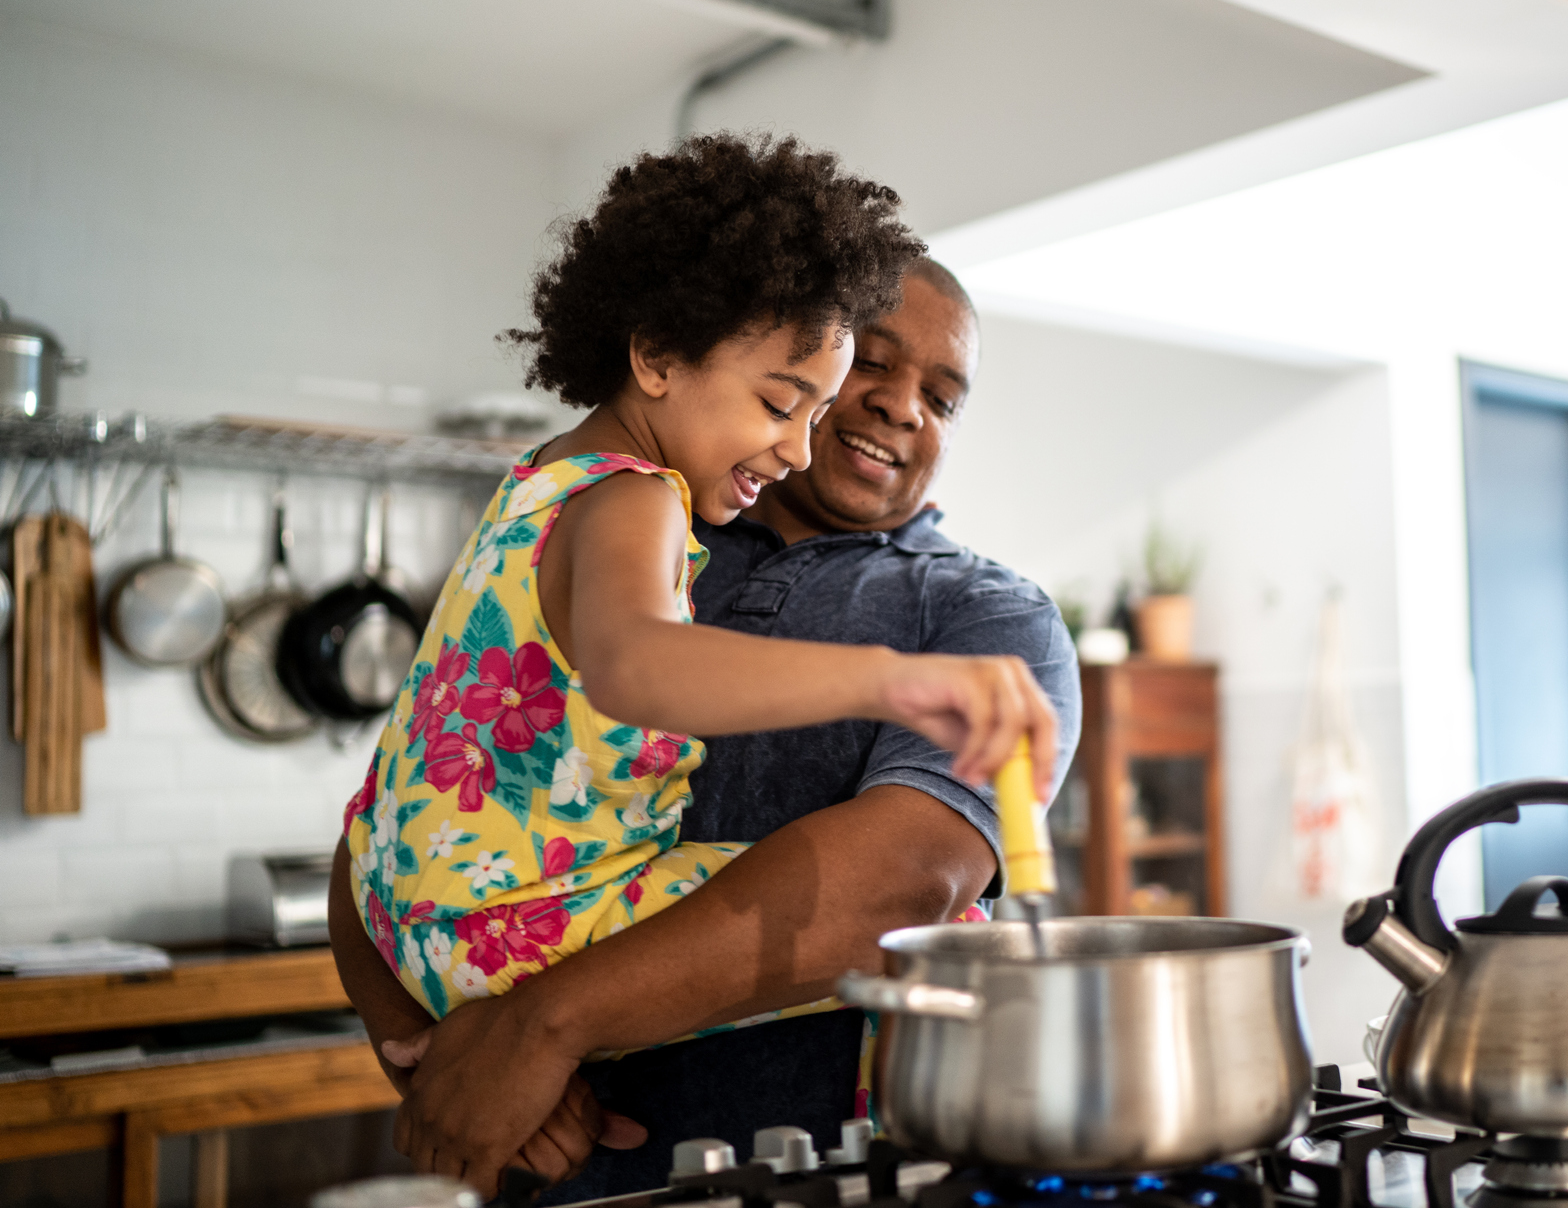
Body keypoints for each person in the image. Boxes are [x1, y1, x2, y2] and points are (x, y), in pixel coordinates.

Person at [327, 137, 1059, 1197]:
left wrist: (523, 1031)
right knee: (951, 939)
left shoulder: (544, 485)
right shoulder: (637, 506)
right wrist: (444, 1058)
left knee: (920, 907)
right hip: (516, 1011)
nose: (811, 440)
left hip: (457, 939)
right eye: (791, 398)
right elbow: (635, 666)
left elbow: (396, 811)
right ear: (660, 354)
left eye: (942, 397)